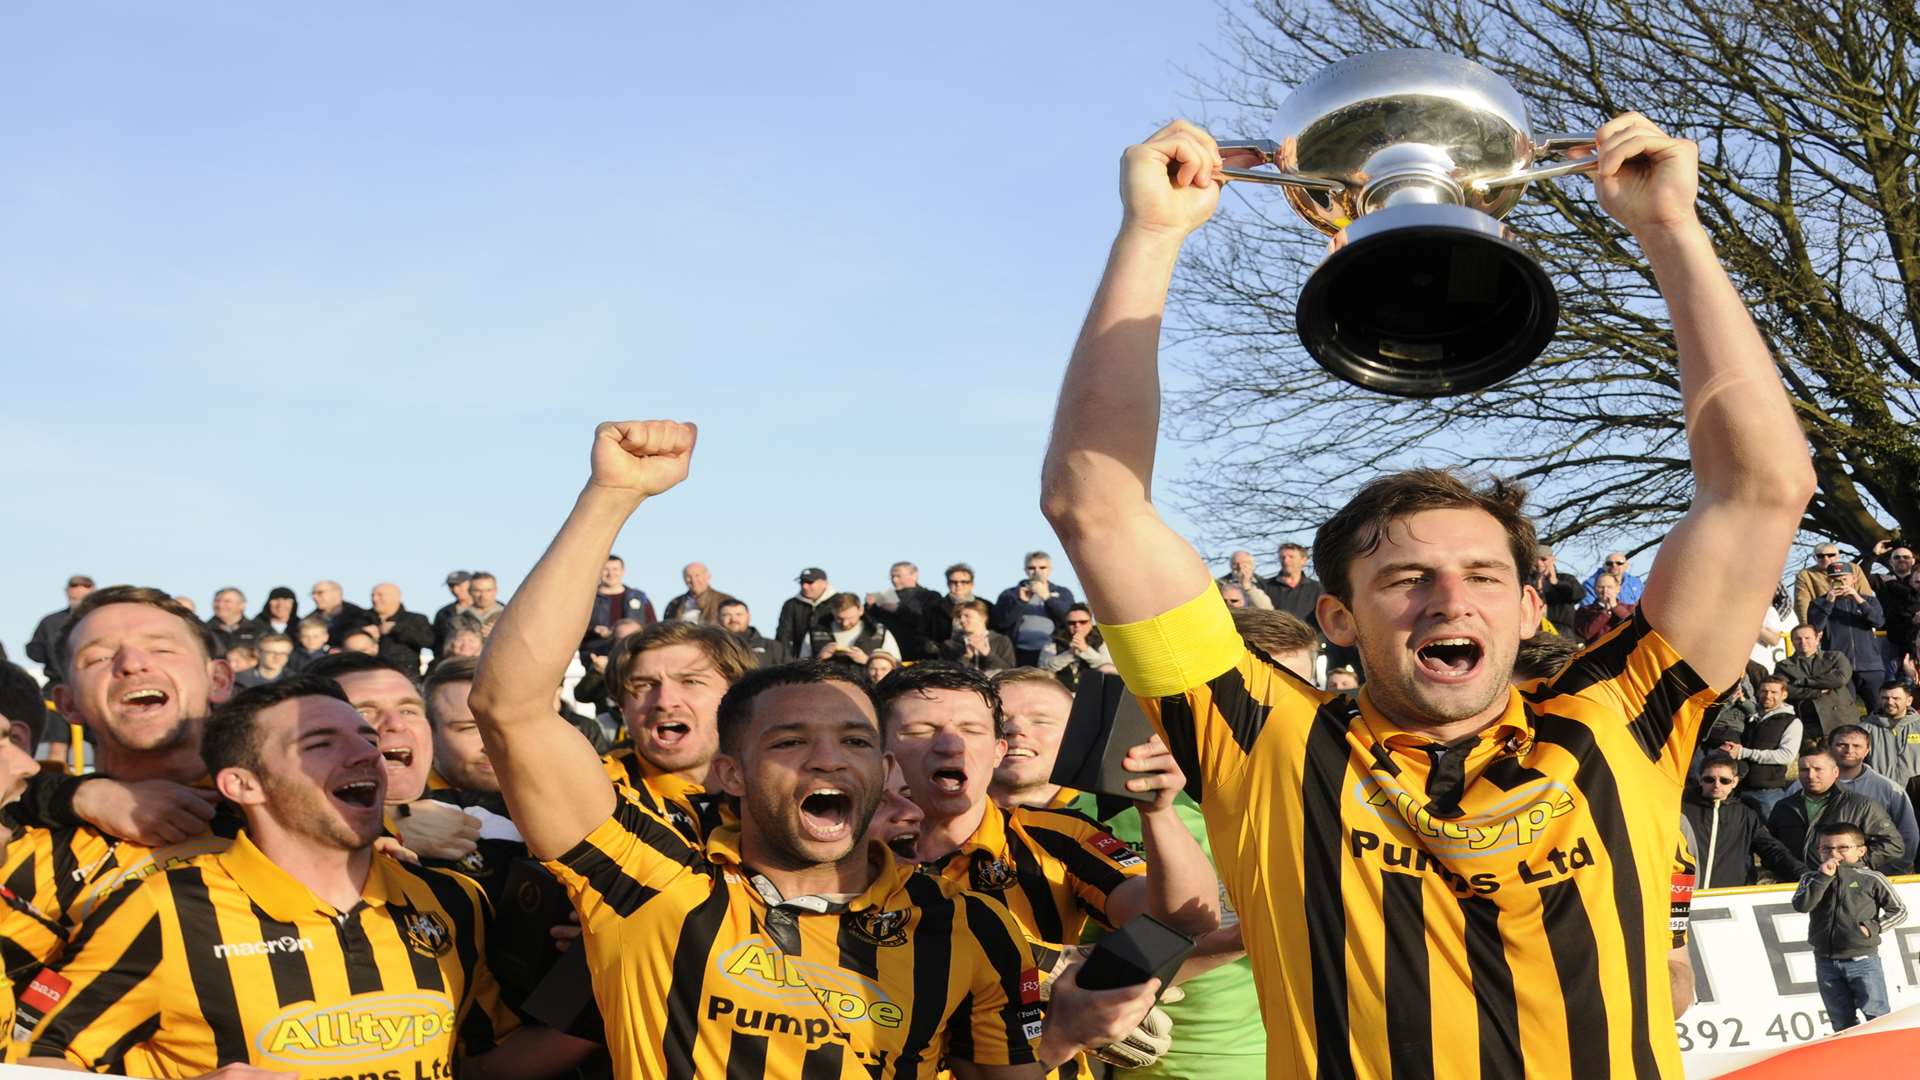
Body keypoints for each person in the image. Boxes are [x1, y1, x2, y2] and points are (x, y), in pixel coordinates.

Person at [1038, 113, 1813, 1076]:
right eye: (1405, 579)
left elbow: (1763, 490)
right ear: (1337, 618)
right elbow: (1095, 505)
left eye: (1485, 576)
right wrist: (1150, 237)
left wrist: (1672, 231)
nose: (1451, 599)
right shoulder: (1265, 740)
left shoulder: (1622, 717)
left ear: (1532, 609)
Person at [466, 419, 1161, 1078]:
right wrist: (610, 497)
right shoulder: (654, 888)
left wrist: (1063, 1034)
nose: (827, 759)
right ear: (730, 774)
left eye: (854, 739)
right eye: (792, 740)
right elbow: (511, 707)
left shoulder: (969, 925)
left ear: (885, 770)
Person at [17, 676, 571, 1077]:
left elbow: (483, 1063)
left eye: (366, 739)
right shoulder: (162, 910)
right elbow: (33, 1063)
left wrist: (617, 974)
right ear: (242, 785)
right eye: (321, 744)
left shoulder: (451, 900)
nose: (365, 754)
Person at [1792, 822, 1907, 1031]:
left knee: (1877, 1017)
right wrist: (1823, 878)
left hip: (1862, 960)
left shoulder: (1872, 878)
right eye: (1826, 848)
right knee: (1841, 1022)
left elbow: (1899, 911)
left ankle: (1883, 1060)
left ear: (1861, 850)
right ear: (1818, 850)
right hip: (1825, 961)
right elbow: (1802, 905)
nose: (1834, 853)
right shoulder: (1810, 878)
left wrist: (1872, 928)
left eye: (1842, 847)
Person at [1768, 750, 1903, 873]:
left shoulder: (1861, 805)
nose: (1810, 775)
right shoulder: (1784, 807)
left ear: (1835, 772)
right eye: (1804, 770)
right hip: (1796, 885)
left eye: (1818, 769)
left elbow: (1893, 845)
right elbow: (1771, 847)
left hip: (1847, 885)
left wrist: (1852, 865)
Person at [1682, 754, 1800, 887]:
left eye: (1724, 781)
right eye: (1709, 779)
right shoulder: (1681, 810)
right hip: (1682, 894)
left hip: (1729, 897)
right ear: (1700, 780)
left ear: (1735, 782)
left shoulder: (1746, 815)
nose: (1717, 785)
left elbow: (1772, 850)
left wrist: (1802, 874)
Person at [1825, 723, 1919, 872]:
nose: (1849, 750)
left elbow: (1908, 834)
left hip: (1877, 876)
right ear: (1829, 748)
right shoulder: (1804, 786)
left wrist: (1895, 870)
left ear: (1867, 750)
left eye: (1857, 746)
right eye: (1842, 745)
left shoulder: (1889, 789)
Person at [1719, 674, 1801, 818]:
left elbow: (1786, 756)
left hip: (1768, 792)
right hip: (1738, 789)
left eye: (1774, 692)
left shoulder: (1792, 722)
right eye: (1764, 691)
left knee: (1772, 835)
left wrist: (1743, 753)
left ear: (1784, 695)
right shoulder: (1748, 715)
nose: (1768, 695)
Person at [1810, 561, 1886, 707]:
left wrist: (1858, 600)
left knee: (1878, 709)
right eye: (1835, 579)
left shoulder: (1869, 600)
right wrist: (1829, 602)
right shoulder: (1819, 603)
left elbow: (1878, 622)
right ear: (1828, 580)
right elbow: (1815, 628)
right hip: (1837, 667)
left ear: (1853, 579)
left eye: (1844, 578)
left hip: (1870, 665)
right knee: (1845, 711)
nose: (1840, 582)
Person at [993, 552, 1079, 666]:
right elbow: (1001, 622)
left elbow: (1070, 619)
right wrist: (1020, 602)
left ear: (1050, 570)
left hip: (1052, 651)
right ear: (1025, 570)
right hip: (1018, 652)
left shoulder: (1063, 593)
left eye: (1042, 567)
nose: (1037, 572)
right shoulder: (1010, 594)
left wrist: (1047, 597)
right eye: (1032, 568)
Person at [1776, 624, 1856, 737]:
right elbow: (1784, 690)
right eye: (1798, 639)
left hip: (1841, 719)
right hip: (1807, 722)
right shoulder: (1783, 666)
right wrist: (1815, 692)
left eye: (1807, 638)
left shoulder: (1835, 657)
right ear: (1792, 641)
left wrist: (1804, 682)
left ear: (1817, 639)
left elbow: (1840, 679)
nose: (1803, 642)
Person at [866, 561, 945, 660]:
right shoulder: (885, 597)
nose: (894, 580)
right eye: (892, 577)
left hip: (920, 651)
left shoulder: (930, 596)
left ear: (914, 575)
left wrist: (898, 609)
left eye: (898, 576)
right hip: (891, 651)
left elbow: (927, 623)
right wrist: (870, 607)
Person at [23, 575, 93, 687]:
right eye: (75, 597)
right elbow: (33, 651)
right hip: (57, 685)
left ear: (93, 592)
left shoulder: (103, 621)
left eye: (82, 597)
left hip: (93, 684)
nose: (78, 593)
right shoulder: (50, 622)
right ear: (67, 592)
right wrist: (52, 655)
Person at [806, 592, 899, 673]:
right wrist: (820, 658)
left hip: (867, 690)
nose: (845, 623)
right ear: (833, 612)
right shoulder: (816, 633)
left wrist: (868, 661)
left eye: (850, 618)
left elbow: (896, 664)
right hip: (828, 689)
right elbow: (801, 666)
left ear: (861, 610)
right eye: (839, 619)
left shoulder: (878, 632)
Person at [585, 554, 657, 657]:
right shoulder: (588, 599)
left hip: (632, 652)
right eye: (606, 569)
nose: (611, 573)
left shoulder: (639, 598)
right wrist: (594, 630)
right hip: (596, 654)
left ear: (622, 571)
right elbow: (572, 628)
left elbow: (653, 626)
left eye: (615, 569)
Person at [1869, 539, 1919, 677]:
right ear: (1891, 562)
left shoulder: (1918, 580)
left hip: (1914, 637)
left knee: (1913, 679)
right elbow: (1858, 576)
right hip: (1886, 637)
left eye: (1906, 557)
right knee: (1889, 680)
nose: (1901, 559)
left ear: (1913, 561)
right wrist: (1874, 554)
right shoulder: (1880, 579)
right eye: (1897, 557)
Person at [363, 581, 435, 675]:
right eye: (372, 595)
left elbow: (428, 641)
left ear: (396, 597)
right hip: (367, 673)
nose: (374, 599)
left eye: (380, 595)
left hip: (405, 674)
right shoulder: (362, 618)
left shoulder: (416, 619)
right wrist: (362, 633)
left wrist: (396, 629)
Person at [1794, 543, 1875, 624]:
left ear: (1838, 556)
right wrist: (1807, 628)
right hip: (1824, 622)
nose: (1825, 558)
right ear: (1815, 558)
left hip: (1855, 619)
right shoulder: (1805, 575)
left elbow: (1867, 596)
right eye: (1820, 556)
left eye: (1830, 555)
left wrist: (1870, 617)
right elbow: (1802, 605)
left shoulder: (1853, 569)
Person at [1860, 681, 1920, 786]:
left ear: (1909, 701)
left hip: (1916, 794)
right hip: (1879, 792)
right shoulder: (1864, 730)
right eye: (1885, 698)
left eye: (1896, 698)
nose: (1890, 702)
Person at [1040, 603, 1111, 690]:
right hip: (1062, 689)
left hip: (1093, 689)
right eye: (1072, 623)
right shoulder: (1055, 640)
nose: (1077, 626)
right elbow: (1044, 666)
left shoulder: (1100, 639)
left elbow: (1108, 665)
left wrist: (1085, 650)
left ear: (1090, 623)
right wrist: (1070, 653)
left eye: (1083, 622)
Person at [775, 567, 836, 659]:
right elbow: (783, 635)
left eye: (810, 582)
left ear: (824, 583)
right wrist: (786, 659)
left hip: (832, 660)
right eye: (802, 582)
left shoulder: (838, 602)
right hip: (800, 660)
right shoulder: (791, 604)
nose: (804, 586)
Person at [1257, 543, 1322, 627]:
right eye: (1282, 557)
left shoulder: (1318, 589)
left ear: (1303, 560)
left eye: (1291, 557)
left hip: (1309, 638)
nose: (1286, 560)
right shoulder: (1265, 586)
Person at [941, 599, 1016, 672]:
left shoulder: (1002, 641)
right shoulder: (949, 645)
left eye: (967, 616)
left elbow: (1010, 672)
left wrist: (987, 653)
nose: (962, 620)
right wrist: (966, 658)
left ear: (983, 618)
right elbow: (945, 674)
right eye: (960, 617)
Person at [717, 597, 788, 667]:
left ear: (749, 617)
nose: (733, 619)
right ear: (718, 618)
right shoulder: (713, 647)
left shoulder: (773, 647)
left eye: (739, 614)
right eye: (726, 615)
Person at [661, 561, 735, 625]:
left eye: (697, 576)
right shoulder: (675, 603)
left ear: (708, 576)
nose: (693, 580)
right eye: (689, 576)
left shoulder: (724, 600)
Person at [1530, 549, 1584, 635]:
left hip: (1561, 631)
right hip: (1533, 629)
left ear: (1553, 560)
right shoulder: (1526, 581)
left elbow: (1579, 595)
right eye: (1535, 559)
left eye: (1543, 559)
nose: (1539, 563)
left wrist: (1556, 582)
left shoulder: (1566, 579)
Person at [1573, 571, 1636, 642]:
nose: (1605, 590)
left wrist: (1615, 607)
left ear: (1618, 589)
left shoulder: (1630, 608)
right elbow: (1585, 634)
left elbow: (1633, 625)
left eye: (1609, 587)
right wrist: (1605, 613)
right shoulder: (1584, 610)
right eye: (1601, 587)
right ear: (1595, 589)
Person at [203, 586, 264, 657]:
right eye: (217, 601)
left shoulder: (260, 631)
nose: (220, 605)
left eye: (227, 601)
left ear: (242, 605)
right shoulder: (203, 630)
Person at [309, 578, 371, 646]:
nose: (314, 597)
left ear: (336, 593)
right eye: (313, 594)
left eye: (320, 593)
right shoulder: (308, 620)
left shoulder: (361, 615)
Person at [452, 572, 507, 638]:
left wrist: (499, 635)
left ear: (496, 590)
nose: (483, 595)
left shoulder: (508, 615)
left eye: (488, 590)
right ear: (470, 591)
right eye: (477, 591)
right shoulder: (457, 619)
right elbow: (449, 646)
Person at [433, 569, 474, 657]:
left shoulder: (496, 608)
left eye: (459, 585)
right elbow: (437, 642)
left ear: (471, 584)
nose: (455, 589)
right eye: (451, 586)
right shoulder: (443, 613)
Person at [935, 562, 983, 635]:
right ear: (948, 584)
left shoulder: (986, 607)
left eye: (964, 582)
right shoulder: (934, 609)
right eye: (953, 582)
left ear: (972, 584)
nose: (958, 585)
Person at [1582, 552, 1647, 605]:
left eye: (1619, 563)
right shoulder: (1590, 585)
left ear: (1626, 565)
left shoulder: (1635, 582)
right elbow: (1588, 610)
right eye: (1609, 563)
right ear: (1604, 566)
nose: (1614, 565)